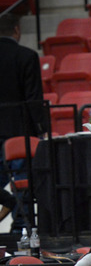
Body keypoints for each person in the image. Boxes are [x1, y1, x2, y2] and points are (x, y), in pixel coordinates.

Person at [0, 12, 47, 189]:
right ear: (17, 30)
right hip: (19, 128)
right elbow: (33, 97)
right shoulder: (27, 56)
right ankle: (20, 216)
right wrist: (41, 127)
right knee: (21, 181)